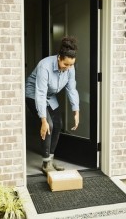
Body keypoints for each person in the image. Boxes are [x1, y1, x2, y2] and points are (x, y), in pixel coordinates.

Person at [26, 36, 80, 175]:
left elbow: (71, 88)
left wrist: (76, 110)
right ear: (59, 58)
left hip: (50, 96)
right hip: (34, 94)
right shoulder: (45, 66)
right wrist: (43, 120)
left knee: (58, 124)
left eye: (70, 65)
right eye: (65, 65)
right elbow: (40, 94)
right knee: (48, 125)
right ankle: (45, 164)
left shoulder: (70, 68)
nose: (68, 68)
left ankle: (50, 159)